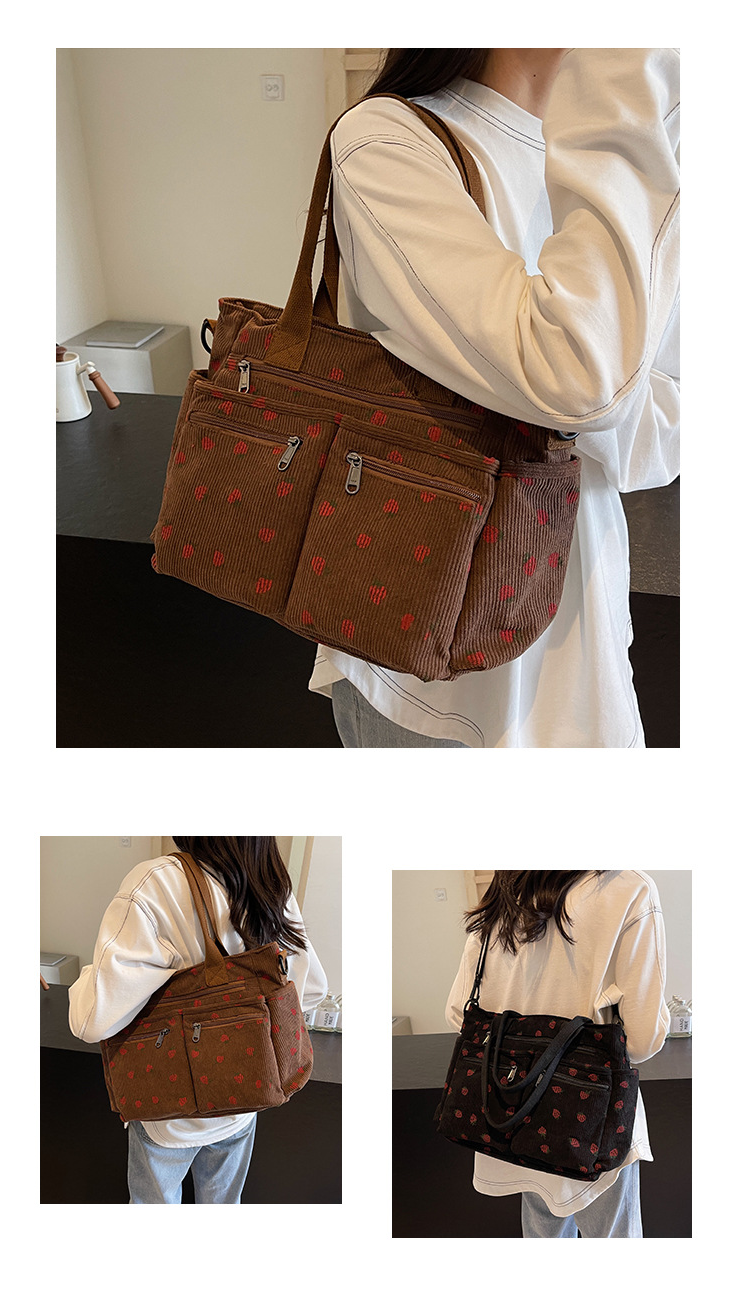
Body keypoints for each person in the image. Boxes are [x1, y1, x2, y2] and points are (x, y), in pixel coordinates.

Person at [309, 49, 680, 747]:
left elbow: (663, 429)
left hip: (586, 652)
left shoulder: (622, 151)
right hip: (430, 688)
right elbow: (584, 380)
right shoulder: (388, 141)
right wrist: (579, 398)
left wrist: (567, 397)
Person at [68, 837, 328, 1204]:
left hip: (168, 1114)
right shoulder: (269, 881)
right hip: (245, 1098)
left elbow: (90, 1021)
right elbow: (313, 989)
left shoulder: (156, 883)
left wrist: (88, 977)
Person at [444, 870, 669, 1237]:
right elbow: (643, 1041)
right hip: (590, 1117)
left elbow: (458, 1012)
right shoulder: (628, 889)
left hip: (510, 1114)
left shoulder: (507, 887)